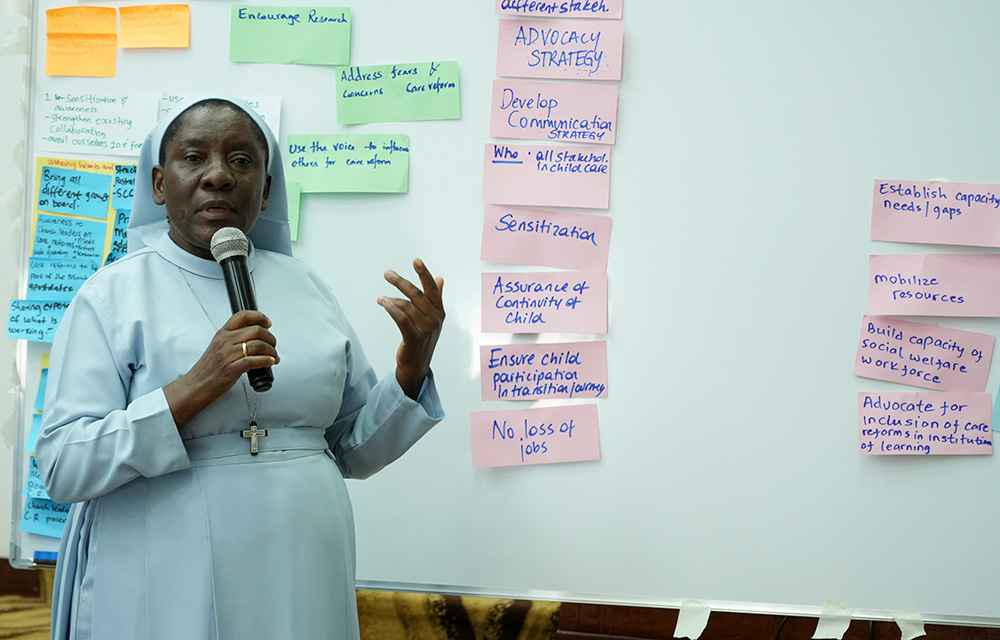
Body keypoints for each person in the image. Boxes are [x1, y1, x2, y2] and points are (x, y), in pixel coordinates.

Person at [34, 95, 446, 640]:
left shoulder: (306, 287)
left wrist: (411, 368)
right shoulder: (111, 296)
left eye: (242, 161)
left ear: (267, 189)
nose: (218, 177)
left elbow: (352, 450)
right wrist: (190, 389)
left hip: (302, 571)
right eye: (194, 157)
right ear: (159, 183)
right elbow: (65, 466)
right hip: (167, 573)